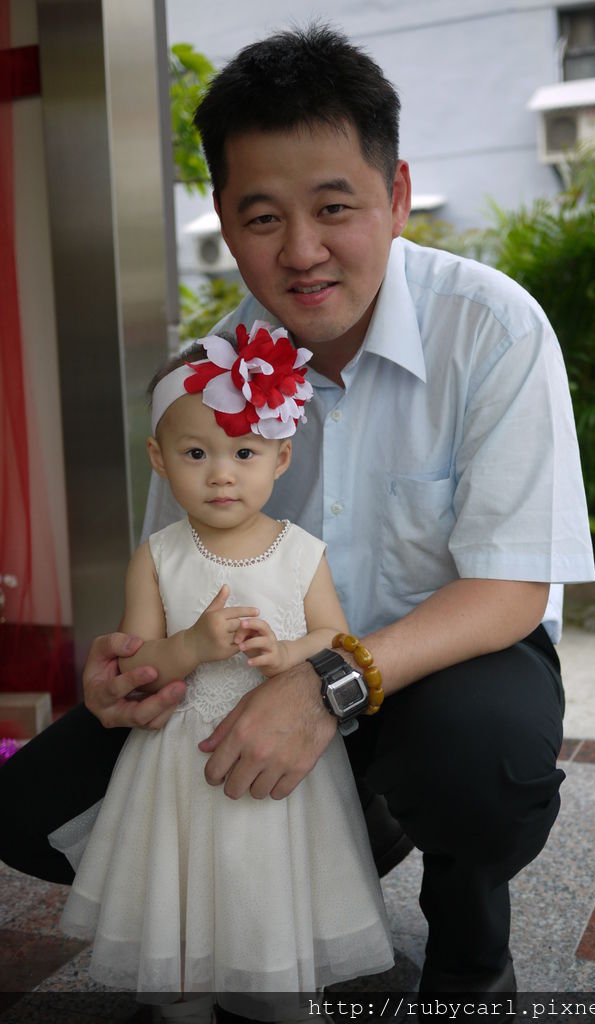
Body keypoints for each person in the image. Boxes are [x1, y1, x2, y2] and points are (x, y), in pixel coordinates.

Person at [0, 22, 595, 1014]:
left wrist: (328, 685)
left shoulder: (491, 328)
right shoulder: (210, 375)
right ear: (225, 223)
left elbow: (508, 591)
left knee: (479, 763)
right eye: (263, 217)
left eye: (335, 208)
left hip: (447, 665)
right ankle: (306, 866)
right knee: (29, 813)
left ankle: (468, 939)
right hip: (251, 666)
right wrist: (134, 666)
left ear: (397, 196)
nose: (303, 252)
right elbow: (177, 570)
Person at [52, 325, 393, 1023]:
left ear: (281, 457)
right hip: (178, 763)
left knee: (267, 882)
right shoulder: (158, 556)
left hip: (281, 765)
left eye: (244, 452)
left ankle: (276, 993)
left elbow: (336, 637)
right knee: (181, 891)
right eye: (195, 453)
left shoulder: (300, 552)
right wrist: (190, 647)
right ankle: (184, 1002)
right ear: (158, 458)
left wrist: (289, 655)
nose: (221, 474)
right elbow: (136, 664)